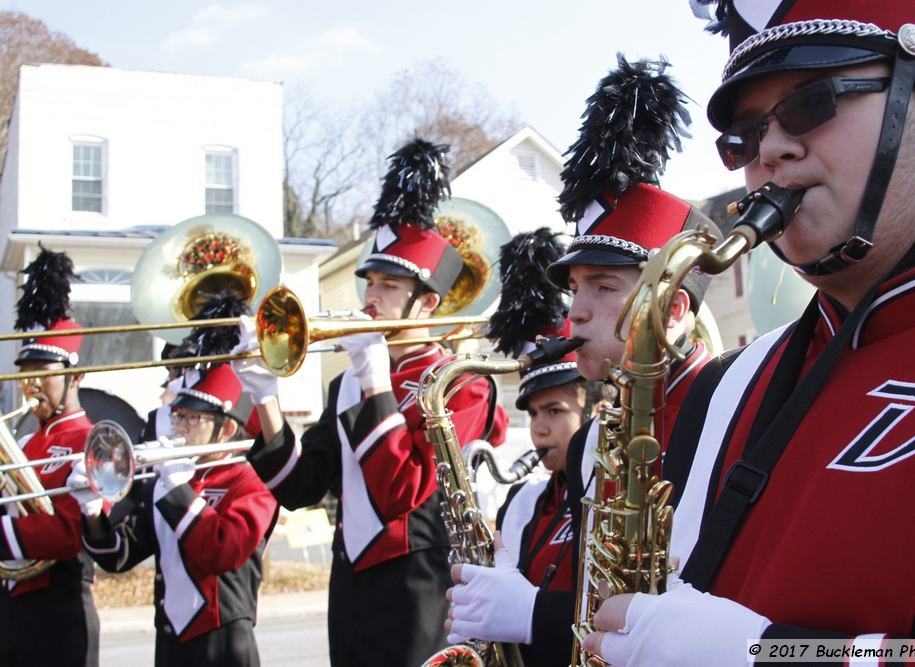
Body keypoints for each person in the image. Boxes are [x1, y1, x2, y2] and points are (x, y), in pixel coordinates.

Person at [584, 2, 915, 666]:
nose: (770, 150)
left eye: (812, 103)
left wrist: (771, 655)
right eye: (746, 136)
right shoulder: (733, 379)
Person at [446, 56, 718, 667]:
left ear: (673, 308)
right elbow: (599, 598)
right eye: (575, 291)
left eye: (602, 287)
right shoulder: (593, 437)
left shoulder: (737, 400)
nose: (577, 315)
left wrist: (534, 613)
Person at [235, 139, 508, 667]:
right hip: (350, 588)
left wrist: (373, 375)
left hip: (419, 588)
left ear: (427, 301)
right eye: (370, 283)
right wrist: (264, 397)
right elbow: (299, 487)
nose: (370, 299)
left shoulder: (462, 382)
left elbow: (401, 491)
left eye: (389, 285)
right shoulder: (348, 382)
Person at [79, 362, 278, 667]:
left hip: (222, 641)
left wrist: (176, 488)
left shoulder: (251, 481)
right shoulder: (170, 481)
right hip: (171, 640)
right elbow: (120, 555)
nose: (179, 427)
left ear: (226, 429)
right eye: (178, 416)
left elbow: (223, 553)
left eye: (192, 418)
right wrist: (93, 512)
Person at [0, 246, 99, 667]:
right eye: (25, 376)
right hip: (12, 612)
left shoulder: (91, 440)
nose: (31, 387)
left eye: (42, 376)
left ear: (74, 375)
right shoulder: (24, 440)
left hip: (57, 613)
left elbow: (69, 533)